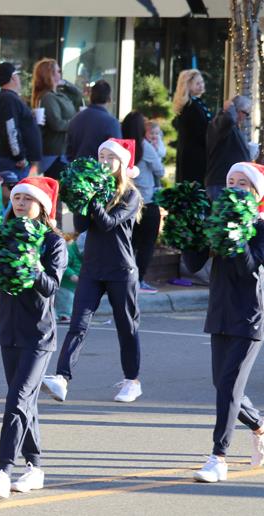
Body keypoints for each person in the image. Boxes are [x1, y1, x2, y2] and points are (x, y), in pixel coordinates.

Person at [0, 176, 67, 499]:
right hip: (10, 331)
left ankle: (3, 470)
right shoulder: (4, 236)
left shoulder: (52, 242)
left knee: (17, 401)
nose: (20, 204)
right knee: (24, 402)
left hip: (39, 334)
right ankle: (35, 466)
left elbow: (51, 286)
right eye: (17, 198)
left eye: (28, 200)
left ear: (41, 206)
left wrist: (31, 262)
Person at [42, 138, 143, 403]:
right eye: (102, 157)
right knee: (78, 324)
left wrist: (92, 197)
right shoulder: (93, 189)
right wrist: (75, 199)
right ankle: (62, 378)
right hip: (92, 268)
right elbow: (79, 226)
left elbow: (108, 223)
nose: (105, 162)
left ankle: (132, 380)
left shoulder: (130, 194)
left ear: (122, 163)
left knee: (126, 325)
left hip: (121, 269)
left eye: (111, 157)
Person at [184, 162, 264, 483]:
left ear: (256, 192)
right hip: (219, 312)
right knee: (224, 387)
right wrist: (191, 230)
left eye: (243, 183)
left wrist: (236, 228)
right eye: (231, 181)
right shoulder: (216, 221)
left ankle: (218, 457)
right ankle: (259, 427)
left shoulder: (261, 226)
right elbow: (193, 264)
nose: (234, 187)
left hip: (250, 315)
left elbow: (248, 267)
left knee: (229, 387)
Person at [123, 112, 164, 294]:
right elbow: (160, 171)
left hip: (125, 202)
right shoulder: (144, 146)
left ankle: (125, 278)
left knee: (129, 242)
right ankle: (138, 280)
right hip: (146, 201)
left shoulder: (121, 145)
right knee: (146, 244)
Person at [0, 62, 41, 179]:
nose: (19, 79)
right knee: (16, 196)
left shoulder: (9, 98)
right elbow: (11, 129)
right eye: (17, 76)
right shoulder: (8, 99)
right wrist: (19, 156)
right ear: (13, 77)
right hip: (13, 162)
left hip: (15, 161)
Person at [32, 59, 78, 180]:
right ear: (50, 74)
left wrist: (66, 83)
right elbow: (56, 123)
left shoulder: (59, 95)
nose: (60, 74)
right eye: (58, 71)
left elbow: (78, 95)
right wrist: (75, 123)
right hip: (55, 153)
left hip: (61, 151)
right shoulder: (48, 97)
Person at [205, 96, 253, 202]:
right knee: (221, 216)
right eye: (246, 113)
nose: (245, 117)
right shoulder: (221, 123)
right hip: (220, 182)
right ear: (238, 111)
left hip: (227, 182)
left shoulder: (233, 127)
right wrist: (229, 108)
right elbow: (226, 121)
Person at [65, 80, 122, 160]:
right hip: (99, 171)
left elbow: (68, 153)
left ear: (90, 97)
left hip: (76, 170)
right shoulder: (112, 123)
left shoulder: (75, 120)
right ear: (109, 99)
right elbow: (116, 155)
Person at [173, 69, 212, 184]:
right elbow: (200, 132)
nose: (202, 86)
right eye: (197, 83)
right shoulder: (191, 107)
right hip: (194, 157)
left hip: (195, 154)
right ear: (188, 86)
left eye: (202, 82)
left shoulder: (197, 104)